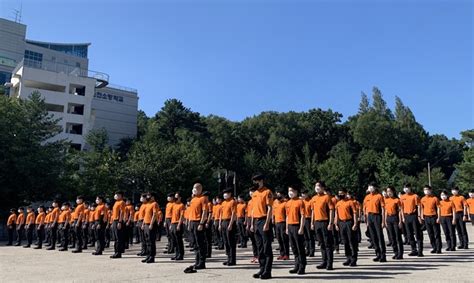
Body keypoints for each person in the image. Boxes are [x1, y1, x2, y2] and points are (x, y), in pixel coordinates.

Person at [250, 174, 274, 280]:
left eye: (257, 181)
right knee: (259, 247)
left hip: (264, 219)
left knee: (266, 247)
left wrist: (267, 223)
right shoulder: (254, 194)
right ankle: (261, 268)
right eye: (254, 181)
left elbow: (269, 208)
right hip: (256, 221)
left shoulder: (267, 192)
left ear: (262, 181)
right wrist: (252, 223)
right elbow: (253, 210)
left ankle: (267, 271)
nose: (256, 183)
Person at [183, 183, 208, 274]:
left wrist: (201, 223)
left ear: (200, 189)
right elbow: (190, 213)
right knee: (195, 243)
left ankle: (202, 262)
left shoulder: (203, 198)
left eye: (196, 188)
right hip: (192, 222)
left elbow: (205, 212)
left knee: (200, 243)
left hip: (198, 222)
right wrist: (189, 223)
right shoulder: (193, 199)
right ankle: (197, 261)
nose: (194, 190)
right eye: (193, 188)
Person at [310, 181, 335, 270]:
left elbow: (332, 210)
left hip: (325, 222)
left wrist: (330, 223)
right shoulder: (313, 198)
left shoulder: (327, 197)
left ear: (323, 188)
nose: (317, 187)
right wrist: (312, 223)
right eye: (316, 186)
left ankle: (329, 263)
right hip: (317, 222)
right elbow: (312, 211)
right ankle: (324, 261)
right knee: (321, 244)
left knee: (327, 243)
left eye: (319, 186)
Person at [285, 185, 307, 275]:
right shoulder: (288, 203)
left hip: (297, 226)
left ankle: (302, 266)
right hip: (290, 226)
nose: (290, 192)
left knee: (300, 247)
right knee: (293, 247)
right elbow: (287, 216)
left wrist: (301, 227)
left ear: (296, 191)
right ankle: (296, 265)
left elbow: (303, 216)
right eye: (289, 190)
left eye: (292, 190)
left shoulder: (300, 202)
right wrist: (286, 227)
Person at [334, 188, 359, 267]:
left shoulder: (350, 202)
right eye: (339, 193)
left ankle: (354, 259)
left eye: (342, 193)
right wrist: (336, 224)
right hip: (341, 223)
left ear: (345, 193)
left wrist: (355, 223)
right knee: (345, 242)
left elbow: (354, 213)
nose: (340, 195)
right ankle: (348, 258)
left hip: (349, 222)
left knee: (352, 241)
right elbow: (336, 214)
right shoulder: (338, 203)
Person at [363, 183, 387, 262]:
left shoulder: (379, 196)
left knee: (379, 236)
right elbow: (365, 209)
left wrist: (383, 220)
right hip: (369, 216)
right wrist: (366, 220)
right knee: (373, 236)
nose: (370, 188)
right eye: (369, 186)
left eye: (371, 186)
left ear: (375, 187)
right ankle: (377, 254)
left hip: (377, 216)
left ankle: (383, 255)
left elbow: (383, 209)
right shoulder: (367, 197)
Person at [400, 184, 423, 257]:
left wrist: (419, 216)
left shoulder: (415, 196)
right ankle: (413, 250)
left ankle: (420, 250)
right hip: (406, 216)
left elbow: (419, 206)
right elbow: (401, 208)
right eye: (405, 188)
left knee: (417, 233)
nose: (406, 189)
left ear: (410, 188)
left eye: (407, 188)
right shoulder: (402, 197)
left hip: (414, 216)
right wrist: (403, 217)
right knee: (409, 234)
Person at [420, 185, 442, 254]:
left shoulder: (435, 198)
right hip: (426, 217)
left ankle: (438, 248)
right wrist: (421, 215)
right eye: (424, 190)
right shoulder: (422, 199)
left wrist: (439, 217)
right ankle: (434, 247)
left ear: (430, 190)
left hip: (434, 217)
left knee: (437, 233)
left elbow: (438, 208)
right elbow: (421, 208)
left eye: (427, 189)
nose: (426, 191)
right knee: (430, 234)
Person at [384, 186, 404, 259]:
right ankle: (395, 252)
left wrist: (400, 221)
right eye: (387, 191)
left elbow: (400, 211)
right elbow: (385, 211)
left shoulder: (397, 200)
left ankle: (400, 253)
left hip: (395, 218)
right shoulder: (386, 200)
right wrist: (385, 220)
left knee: (398, 236)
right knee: (392, 237)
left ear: (393, 192)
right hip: (389, 218)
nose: (389, 193)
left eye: (390, 191)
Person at [219, 188, 238, 266]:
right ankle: (228, 258)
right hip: (223, 221)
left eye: (226, 193)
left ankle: (232, 260)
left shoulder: (232, 202)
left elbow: (233, 213)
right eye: (224, 193)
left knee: (231, 242)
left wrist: (230, 224)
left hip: (229, 221)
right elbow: (221, 214)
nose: (224, 195)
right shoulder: (223, 203)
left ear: (230, 194)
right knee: (226, 241)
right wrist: (220, 223)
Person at [141, 192, 161, 263]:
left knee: (151, 241)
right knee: (147, 241)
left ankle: (152, 257)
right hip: (146, 223)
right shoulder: (147, 204)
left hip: (150, 224)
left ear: (153, 197)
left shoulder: (154, 204)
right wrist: (143, 224)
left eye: (149, 195)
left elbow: (154, 214)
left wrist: (151, 224)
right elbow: (145, 215)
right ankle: (148, 255)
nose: (147, 197)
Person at [273, 189, 289, 261]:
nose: (278, 195)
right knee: (279, 239)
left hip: (283, 222)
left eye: (280, 194)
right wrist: (273, 219)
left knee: (284, 239)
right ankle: (281, 254)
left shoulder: (286, 203)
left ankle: (286, 254)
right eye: (277, 194)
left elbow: (287, 214)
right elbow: (273, 212)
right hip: (277, 222)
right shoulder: (275, 202)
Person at [110, 191, 126, 258]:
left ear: (121, 196)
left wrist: (119, 222)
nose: (115, 196)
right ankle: (116, 251)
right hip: (114, 220)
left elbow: (122, 213)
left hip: (118, 221)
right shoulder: (116, 202)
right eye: (115, 194)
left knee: (118, 238)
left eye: (117, 195)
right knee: (115, 238)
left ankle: (118, 252)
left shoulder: (122, 202)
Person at [170, 192, 185, 261]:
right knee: (174, 240)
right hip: (173, 223)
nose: (175, 198)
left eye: (177, 197)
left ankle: (180, 254)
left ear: (180, 198)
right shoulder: (174, 205)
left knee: (179, 240)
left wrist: (179, 225)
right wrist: (171, 224)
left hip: (178, 223)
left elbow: (182, 216)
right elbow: (172, 215)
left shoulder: (181, 205)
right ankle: (176, 254)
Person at [301, 190, 315, 257]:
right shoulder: (302, 201)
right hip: (303, 219)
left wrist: (312, 222)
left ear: (307, 194)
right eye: (302, 194)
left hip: (309, 219)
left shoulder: (311, 201)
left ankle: (312, 251)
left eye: (304, 194)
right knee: (305, 236)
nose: (303, 195)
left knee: (310, 236)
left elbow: (313, 212)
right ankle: (307, 250)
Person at [246, 186, 259, 263]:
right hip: (250, 219)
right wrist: (248, 224)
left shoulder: (257, 201)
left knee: (257, 240)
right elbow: (248, 213)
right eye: (250, 192)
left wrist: (252, 224)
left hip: (255, 219)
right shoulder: (250, 202)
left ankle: (259, 256)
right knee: (253, 241)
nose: (251, 193)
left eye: (252, 191)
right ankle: (255, 255)